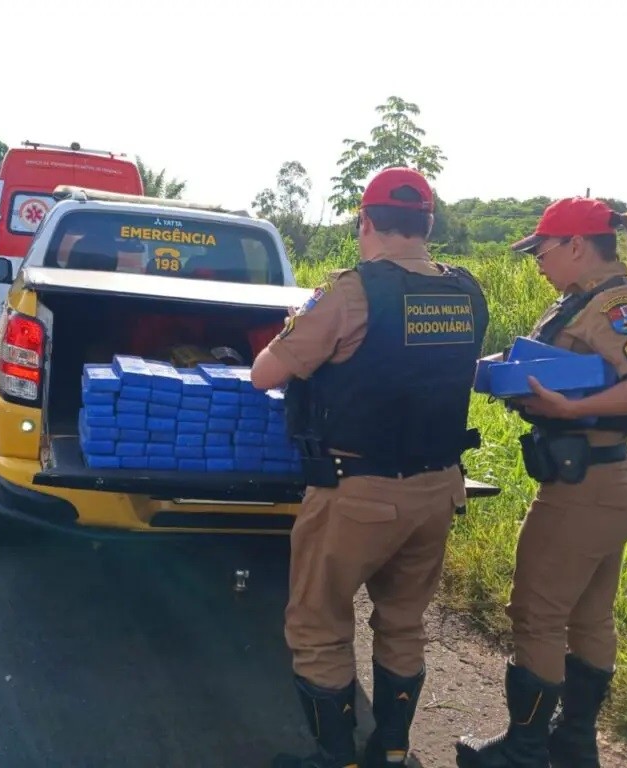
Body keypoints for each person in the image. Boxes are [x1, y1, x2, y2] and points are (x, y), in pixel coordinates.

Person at [250, 167, 490, 768]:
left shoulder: (353, 292)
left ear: (366, 222)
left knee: (318, 623)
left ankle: (338, 759)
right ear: (428, 224)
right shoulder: (468, 292)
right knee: (403, 624)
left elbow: (265, 374)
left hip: (359, 492)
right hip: (440, 489)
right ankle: (391, 750)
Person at [454, 198, 627, 768]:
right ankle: (573, 742)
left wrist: (565, 411)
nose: (536, 260)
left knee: (536, 614)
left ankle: (525, 750)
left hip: (586, 487)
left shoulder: (618, 305)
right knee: (588, 617)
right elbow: (536, 359)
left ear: (578, 245)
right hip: (604, 480)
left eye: (542, 248)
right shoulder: (582, 301)